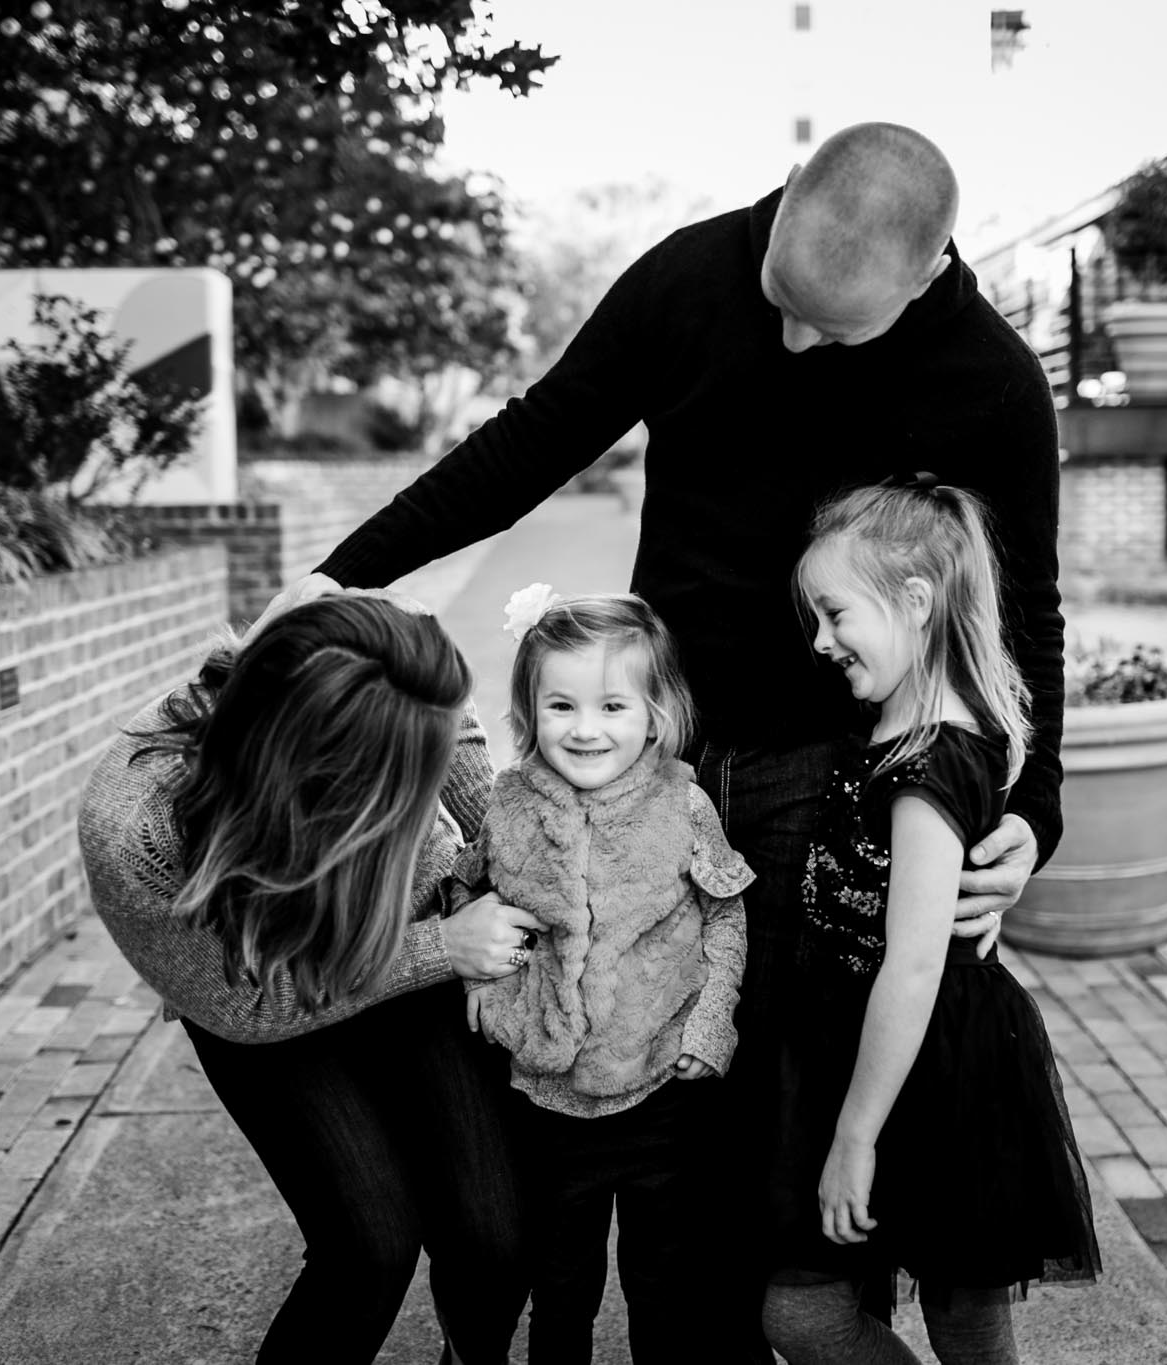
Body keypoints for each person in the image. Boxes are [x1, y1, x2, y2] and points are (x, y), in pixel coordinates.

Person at [264, 120, 1067, 1348]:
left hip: (824, 764)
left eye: (831, 330)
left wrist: (1031, 809)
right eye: (780, 303)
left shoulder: (989, 382)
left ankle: (777, 1321)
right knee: (635, 1038)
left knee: (766, 1078)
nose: (793, 341)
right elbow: (534, 438)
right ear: (780, 203)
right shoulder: (692, 272)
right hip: (667, 738)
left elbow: (1026, 608)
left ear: (926, 276)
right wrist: (340, 577)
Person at [77, 593, 546, 1365]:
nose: (417, 809)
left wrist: (494, 848)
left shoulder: (383, 652)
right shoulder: (139, 829)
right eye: (397, 788)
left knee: (494, 1228)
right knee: (370, 1245)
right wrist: (439, 949)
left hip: (399, 923)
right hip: (260, 971)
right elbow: (245, 1002)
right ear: (314, 782)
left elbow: (448, 718)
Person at [760, 480, 1099, 1365]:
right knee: (807, 1314)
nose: (822, 640)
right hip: (857, 1046)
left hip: (935, 1070)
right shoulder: (891, 725)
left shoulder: (929, 765)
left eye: (836, 614)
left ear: (915, 602)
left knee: (959, 1319)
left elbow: (911, 967)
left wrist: (853, 1136)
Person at [457, 588, 751, 1364]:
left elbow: (724, 912)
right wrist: (488, 996)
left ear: (654, 714)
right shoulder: (506, 807)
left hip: (660, 1089)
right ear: (528, 708)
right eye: (561, 705)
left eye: (612, 705)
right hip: (548, 1098)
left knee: (661, 1279)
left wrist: (709, 1021)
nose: (586, 729)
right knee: (560, 1282)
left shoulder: (681, 805)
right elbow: (467, 898)